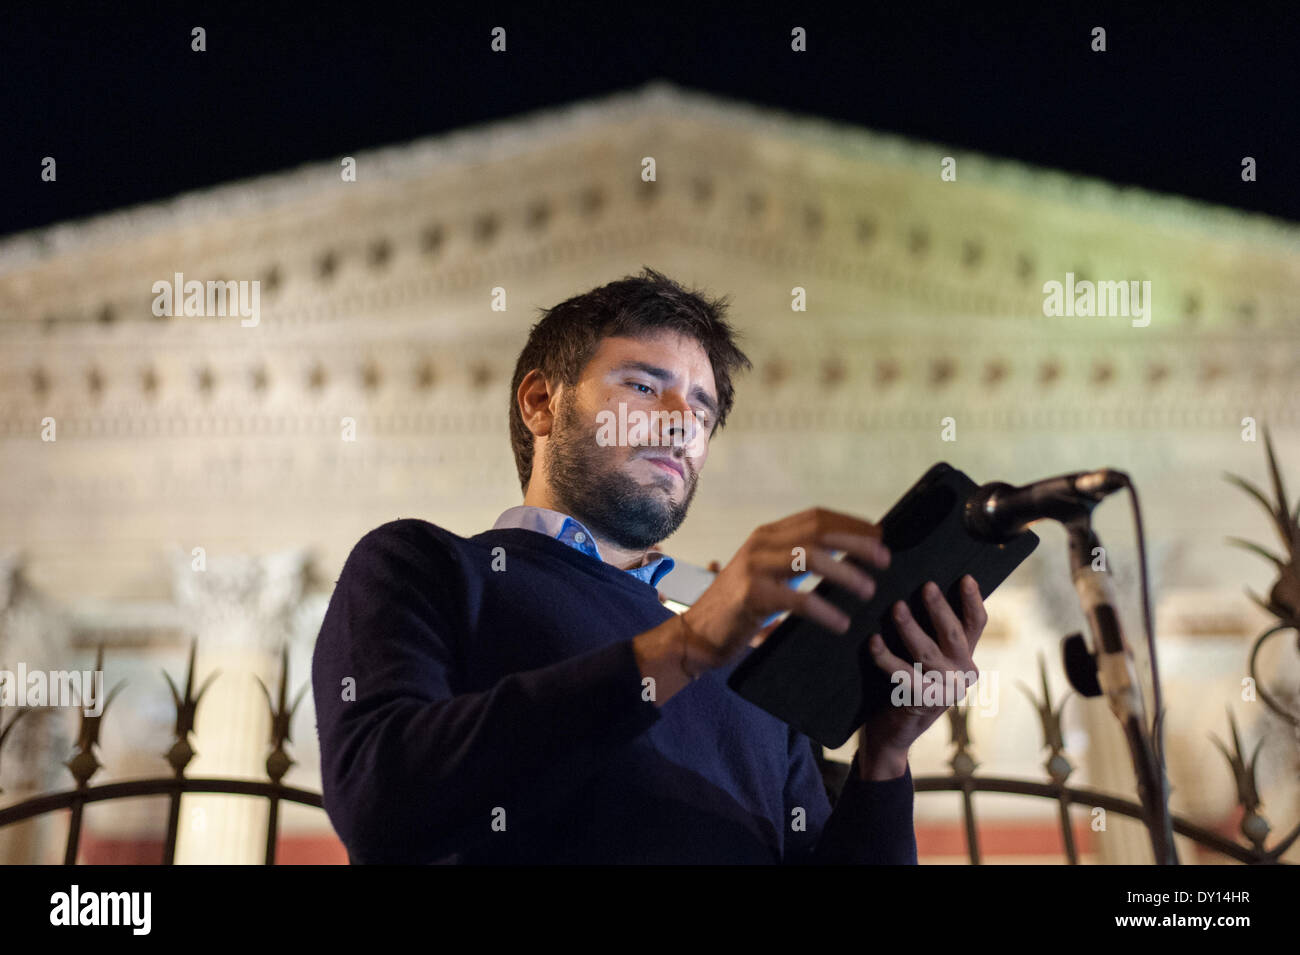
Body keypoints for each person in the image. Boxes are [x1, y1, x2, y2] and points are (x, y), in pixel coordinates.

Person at [311, 267, 987, 863]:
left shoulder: (747, 671)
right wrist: (685, 645)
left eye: (702, 409)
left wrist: (884, 757)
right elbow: (381, 799)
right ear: (540, 403)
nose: (681, 425)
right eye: (644, 385)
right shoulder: (422, 565)